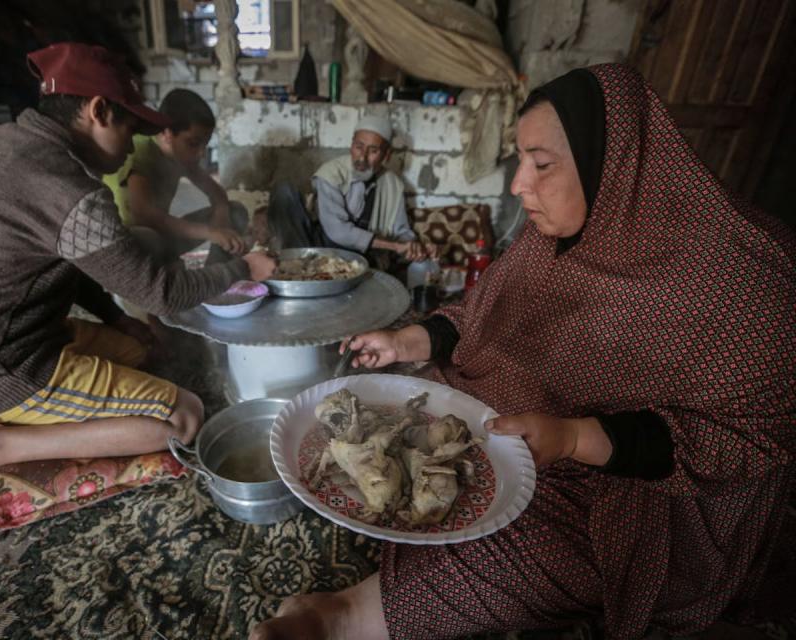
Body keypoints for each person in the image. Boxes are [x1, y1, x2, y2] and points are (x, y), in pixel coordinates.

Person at [250, 64, 795, 639]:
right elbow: (480, 310)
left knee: (527, 547)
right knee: (396, 415)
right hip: (515, 410)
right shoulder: (552, 239)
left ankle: (340, 621)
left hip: (624, 484)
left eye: (542, 164)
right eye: (520, 160)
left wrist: (576, 437)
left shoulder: (747, 284)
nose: (516, 185)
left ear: (614, 165)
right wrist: (406, 341)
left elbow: (751, 433)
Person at [0, 42, 275, 517]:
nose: (131, 145)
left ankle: (20, 414)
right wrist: (245, 270)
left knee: (145, 352)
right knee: (183, 416)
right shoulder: (70, 190)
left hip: (2, 339)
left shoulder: (9, 143)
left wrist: (117, 318)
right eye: (129, 128)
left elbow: (66, 265)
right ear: (99, 111)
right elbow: (161, 293)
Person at [103, 88, 248, 264]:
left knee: (236, 211)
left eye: (205, 144)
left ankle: (215, 269)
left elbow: (217, 194)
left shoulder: (183, 157)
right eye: (193, 143)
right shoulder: (141, 149)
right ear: (166, 134)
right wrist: (209, 232)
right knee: (149, 237)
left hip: (163, 237)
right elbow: (144, 215)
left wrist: (221, 218)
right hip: (128, 242)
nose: (201, 153)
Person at [267, 114, 433, 266]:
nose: (362, 157)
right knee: (284, 191)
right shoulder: (331, 173)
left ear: (386, 155)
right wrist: (393, 245)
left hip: (363, 257)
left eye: (373, 151)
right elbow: (337, 231)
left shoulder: (394, 185)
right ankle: (297, 267)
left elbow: (402, 232)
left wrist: (414, 247)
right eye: (359, 147)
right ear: (351, 144)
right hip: (320, 247)